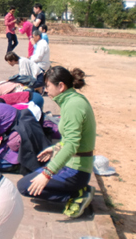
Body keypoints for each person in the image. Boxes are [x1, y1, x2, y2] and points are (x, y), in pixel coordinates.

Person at [17, 66, 96, 219]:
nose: (46, 90)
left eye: (48, 86)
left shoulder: (73, 105)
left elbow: (72, 144)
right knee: (30, 175)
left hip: (76, 170)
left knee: (24, 186)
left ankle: (76, 195)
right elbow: (71, 139)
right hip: (72, 164)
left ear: (61, 86)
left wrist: (47, 174)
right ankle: (74, 189)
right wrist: (56, 148)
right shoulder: (71, 100)